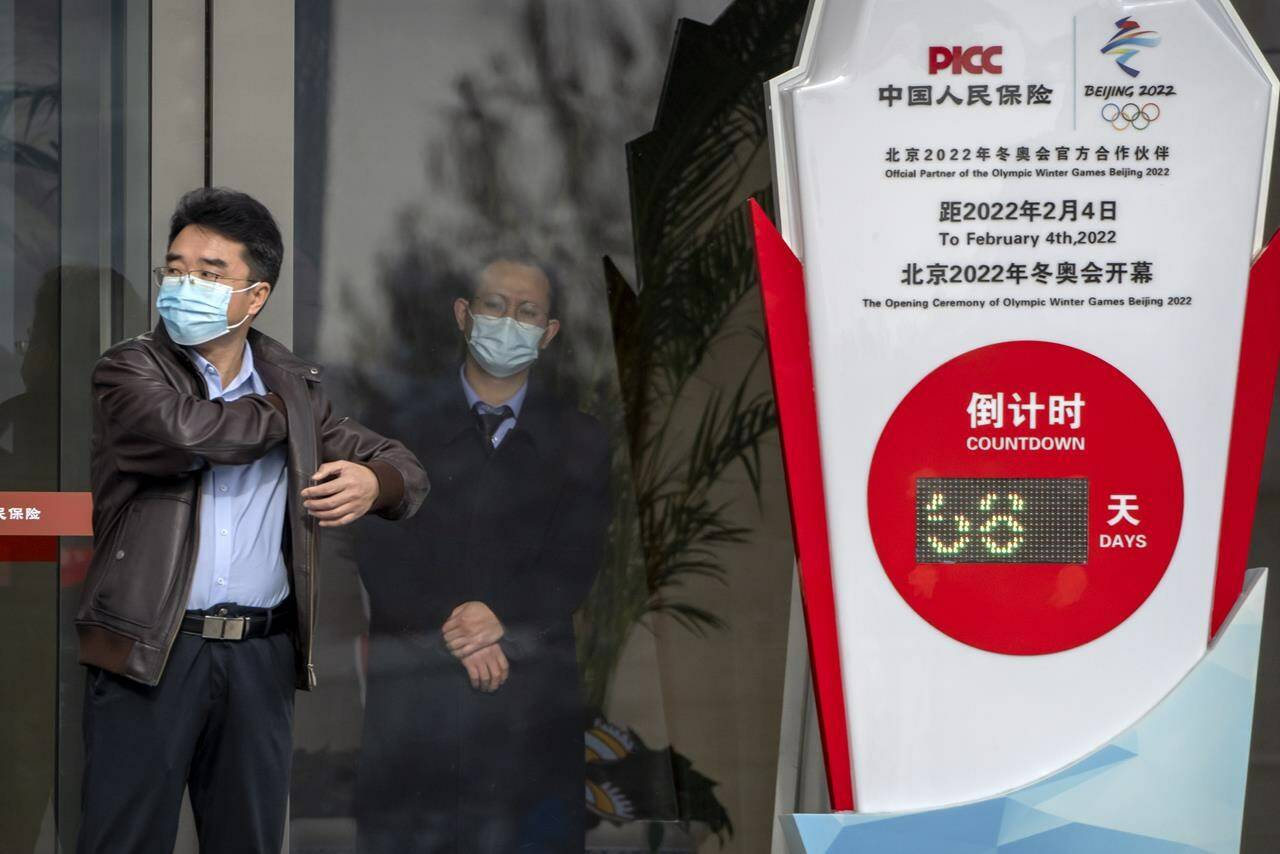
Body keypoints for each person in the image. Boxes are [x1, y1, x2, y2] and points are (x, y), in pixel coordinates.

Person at [75, 187, 428, 854]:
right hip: (150, 651)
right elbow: (191, 435)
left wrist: (371, 480)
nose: (184, 285)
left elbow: (406, 469)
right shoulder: (128, 370)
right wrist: (294, 414)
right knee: (122, 841)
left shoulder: (294, 390)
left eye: (209, 274)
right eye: (175, 269)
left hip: (259, 660)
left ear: (255, 297)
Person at [354, 258, 610, 853]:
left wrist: (503, 617)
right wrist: (461, 627)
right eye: (495, 305)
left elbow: (576, 558)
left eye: (528, 312)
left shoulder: (579, 440)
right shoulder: (394, 428)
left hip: (530, 702)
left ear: (549, 334)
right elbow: (378, 549)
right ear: (464, 316)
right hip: (416, 695)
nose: (509, 321)